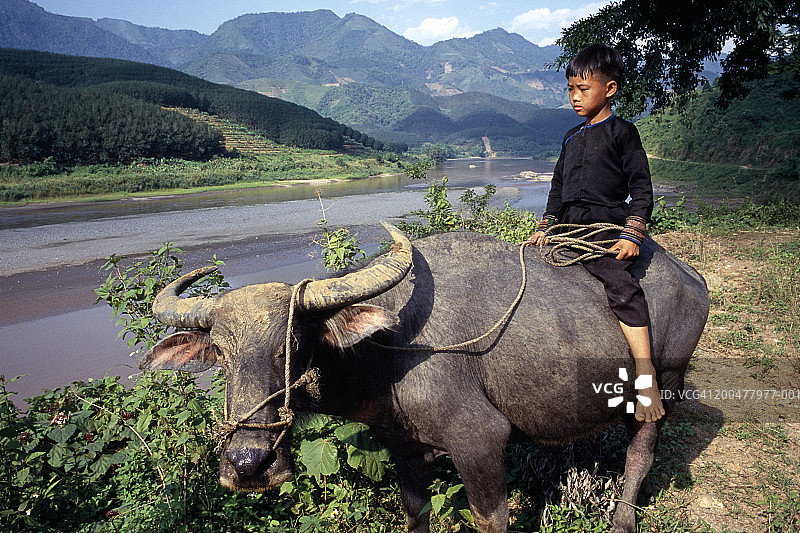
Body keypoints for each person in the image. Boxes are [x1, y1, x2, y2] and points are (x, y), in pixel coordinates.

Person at [528, 43, 665, 423]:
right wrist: (546, 226)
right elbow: (557, 187)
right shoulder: (570, 137)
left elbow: (641, 188)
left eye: (583, 89)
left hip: (603, 227)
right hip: (567, 229)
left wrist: (631, 234)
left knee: (622, 287)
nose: (574, 96)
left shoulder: (623, 132)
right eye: (570, 88)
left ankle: (645, 374)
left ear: (610, 89)